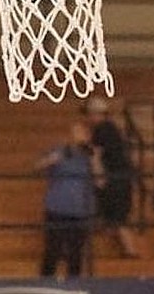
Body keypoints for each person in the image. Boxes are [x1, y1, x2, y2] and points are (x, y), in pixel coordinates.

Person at [35, 119, 102, 278]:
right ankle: (44, 286)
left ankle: (74, 287)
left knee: (76, 255)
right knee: (52, 251)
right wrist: (54, 159)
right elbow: (37, 167)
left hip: (81, 211)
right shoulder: (59, 150)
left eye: (81, 133)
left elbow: (101, 182)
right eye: (74, 133)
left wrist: (94, 159)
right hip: (57, 209)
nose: (77, 137)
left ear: (88, 136)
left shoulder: (92, 155)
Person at [83, 97, 139, 258]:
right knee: (117, 216)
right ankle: (128, 249)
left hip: (114, 179)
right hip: (122, 178)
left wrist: (99, 177)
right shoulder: (112, 129)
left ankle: (129, 250)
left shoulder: (102, 130)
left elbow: (96, 155)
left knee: (116, 217)